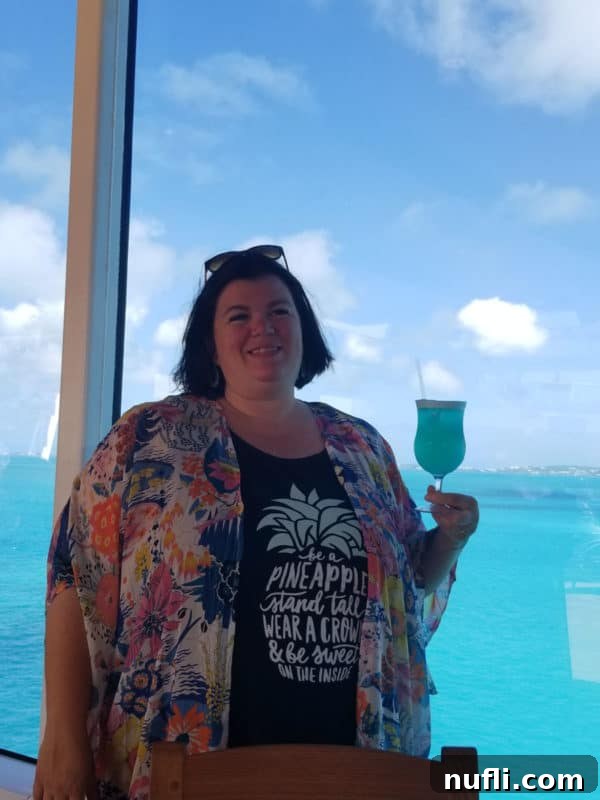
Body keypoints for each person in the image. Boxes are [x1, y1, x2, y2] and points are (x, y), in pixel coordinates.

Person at [34, 244, 479, 800]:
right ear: (210, 345)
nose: (261, 328)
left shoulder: (361, 446)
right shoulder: (149, 437)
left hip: (356, 763)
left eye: (279, 311)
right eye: (238, 316)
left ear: (303, 331)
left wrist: (453, 538)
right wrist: (63, 740)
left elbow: (406, 587)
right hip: (181, 761)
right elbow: (73, 577)